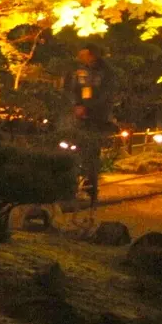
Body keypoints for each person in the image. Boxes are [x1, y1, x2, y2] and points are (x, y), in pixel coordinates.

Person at [65, 44, 116, 207]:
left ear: (92, 55)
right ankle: (73, 187)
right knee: (74, 150)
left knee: (92, 152)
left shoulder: (106, 72)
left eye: (84, 55)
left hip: (97, 118)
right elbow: (72, 89)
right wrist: (76, 105)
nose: (81, 58)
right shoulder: (79, 70)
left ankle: (92, 189)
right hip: (79, 116)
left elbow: (106, 96)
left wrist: (88, 107)